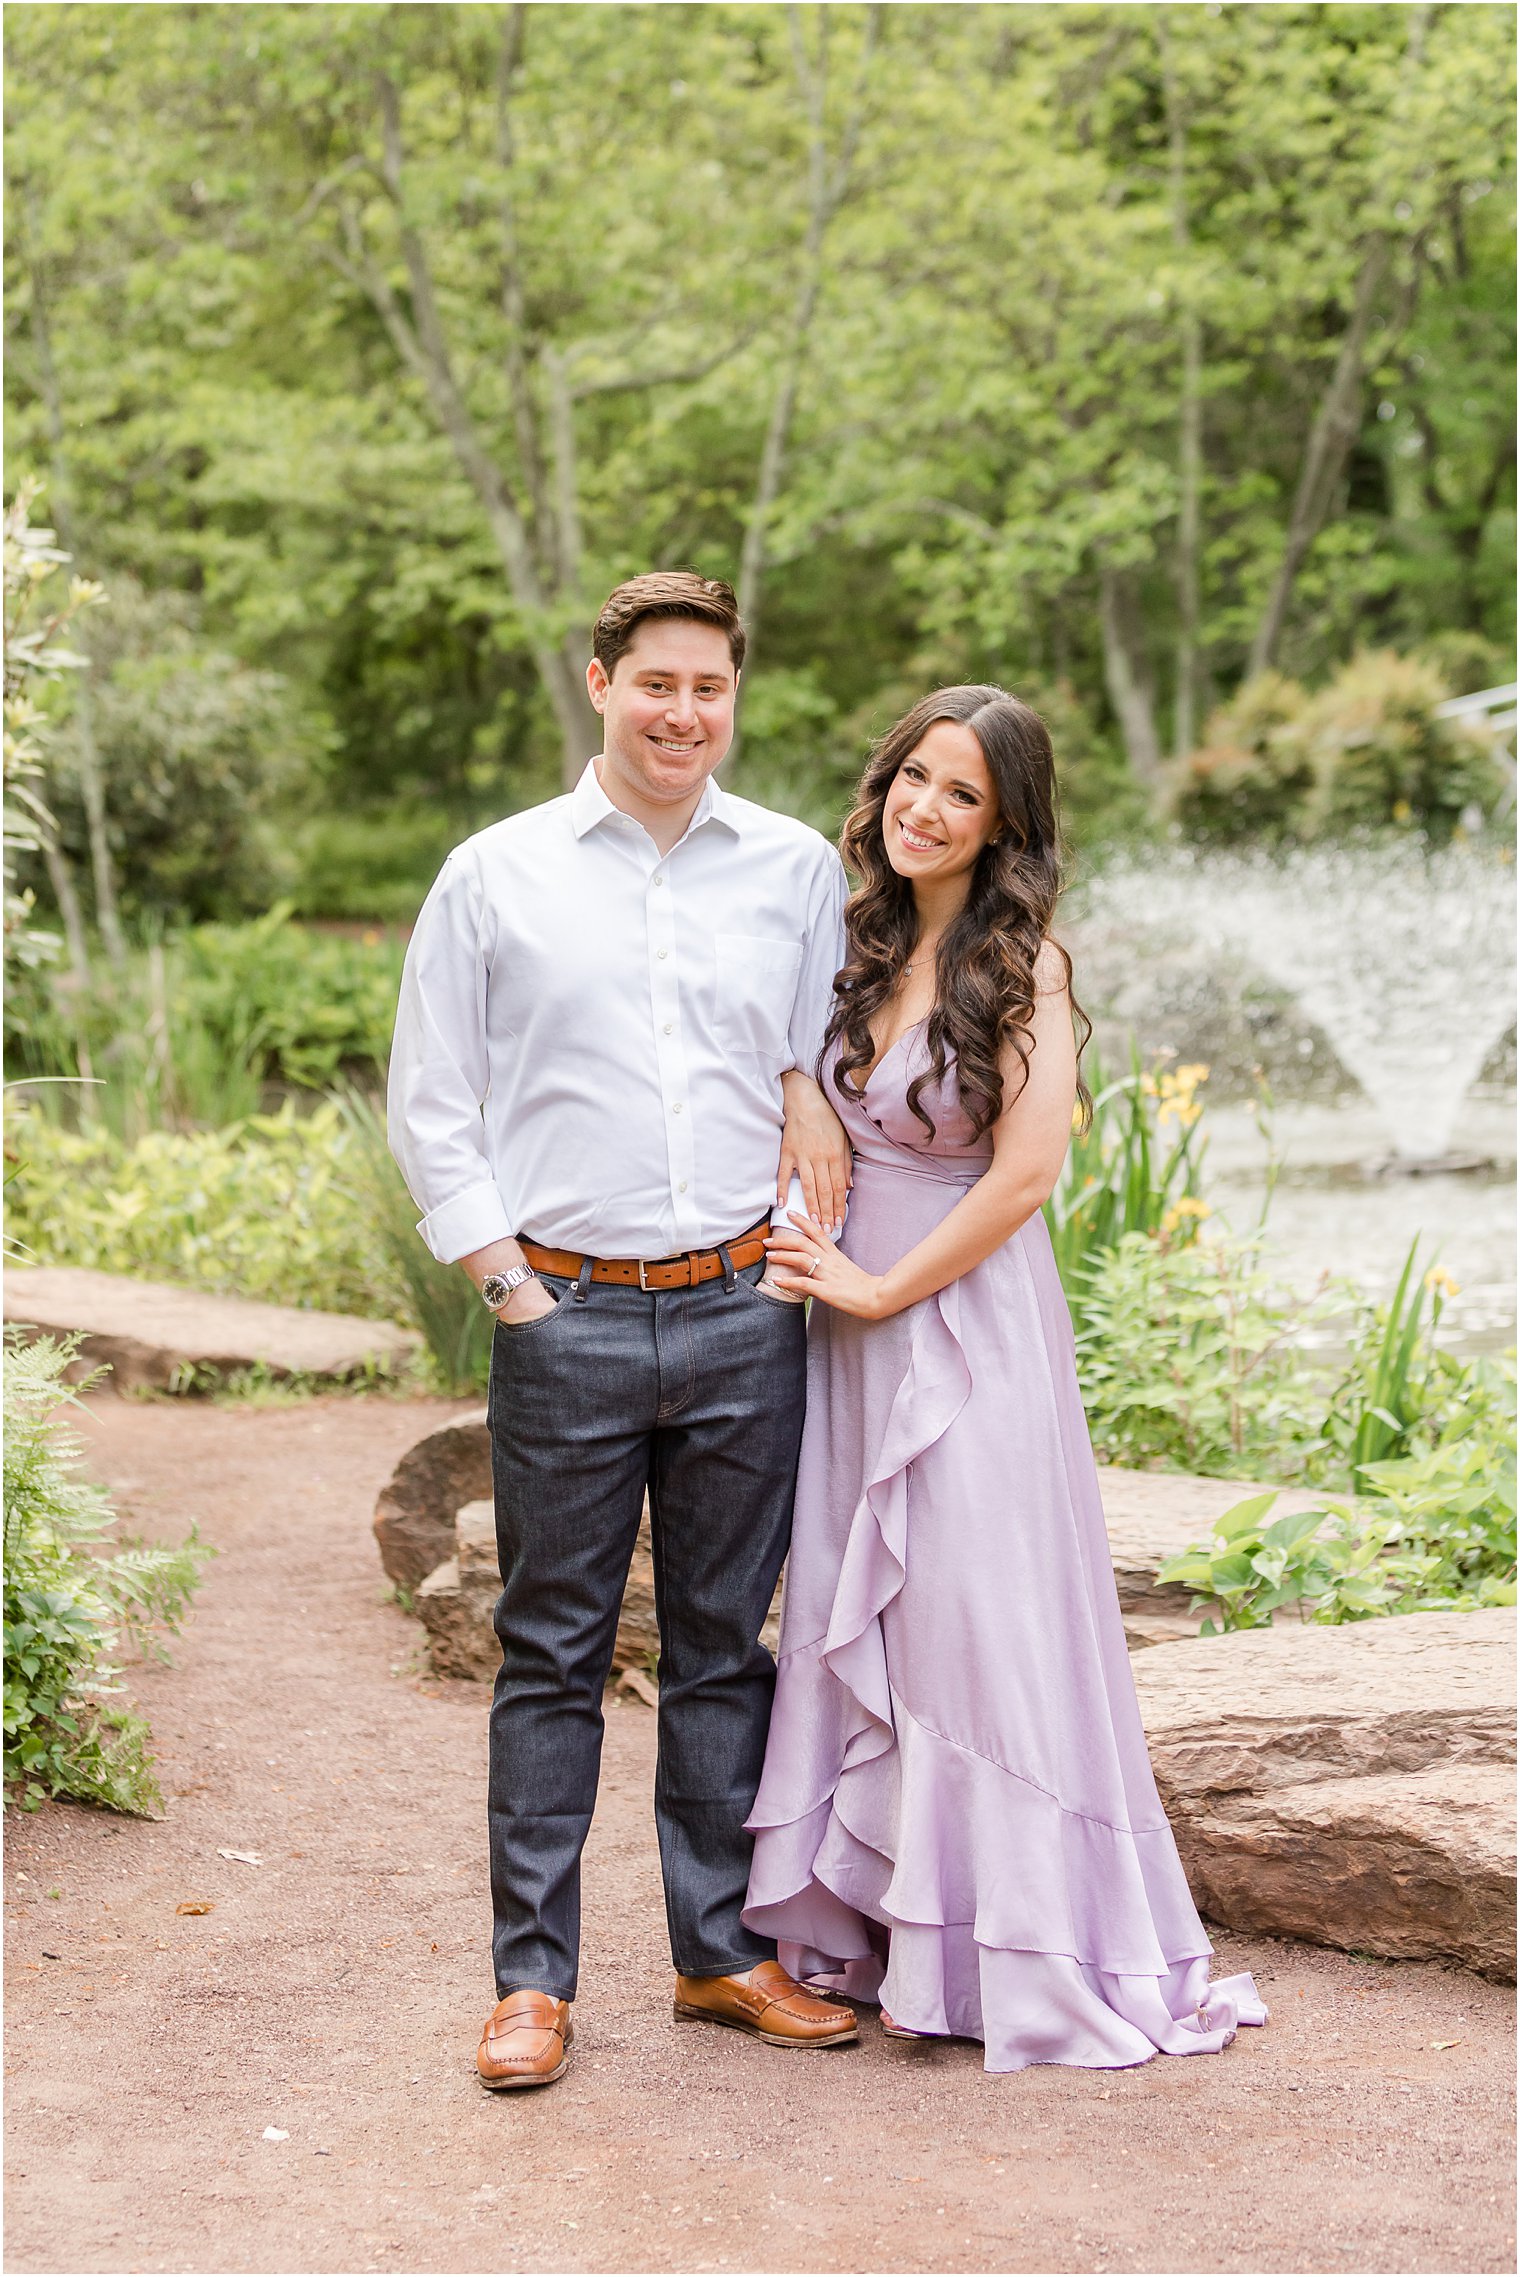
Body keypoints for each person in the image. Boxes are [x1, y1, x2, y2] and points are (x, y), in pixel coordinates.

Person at [745, 685, 1268, 2072]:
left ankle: (1011, 1949)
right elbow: (777, 1067)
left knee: (974, 1624)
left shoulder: (1022, 963)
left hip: (958, 1323)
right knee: (880, 1624)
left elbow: (1027, 1173)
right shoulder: (854, 943)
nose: (925, 806)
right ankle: (875, 1931)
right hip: (849, 1337)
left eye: (961, 792)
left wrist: (872, 1284)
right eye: (914, 774)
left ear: (1005, 821)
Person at [388, 572, 862, 2090]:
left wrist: (800, 1118)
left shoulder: (792, 870)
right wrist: (505, 1284)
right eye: (656, 683)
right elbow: (430, 1097)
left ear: (734, 699)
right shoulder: (494, 874)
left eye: (710, 689)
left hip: (742, 1308)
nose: (684, 713)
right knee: (552, 1652)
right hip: (566, 1309)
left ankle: (718, 1955)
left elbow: (817, 1060)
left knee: (727, 1648)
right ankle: (533, 1982)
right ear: (600, 683)